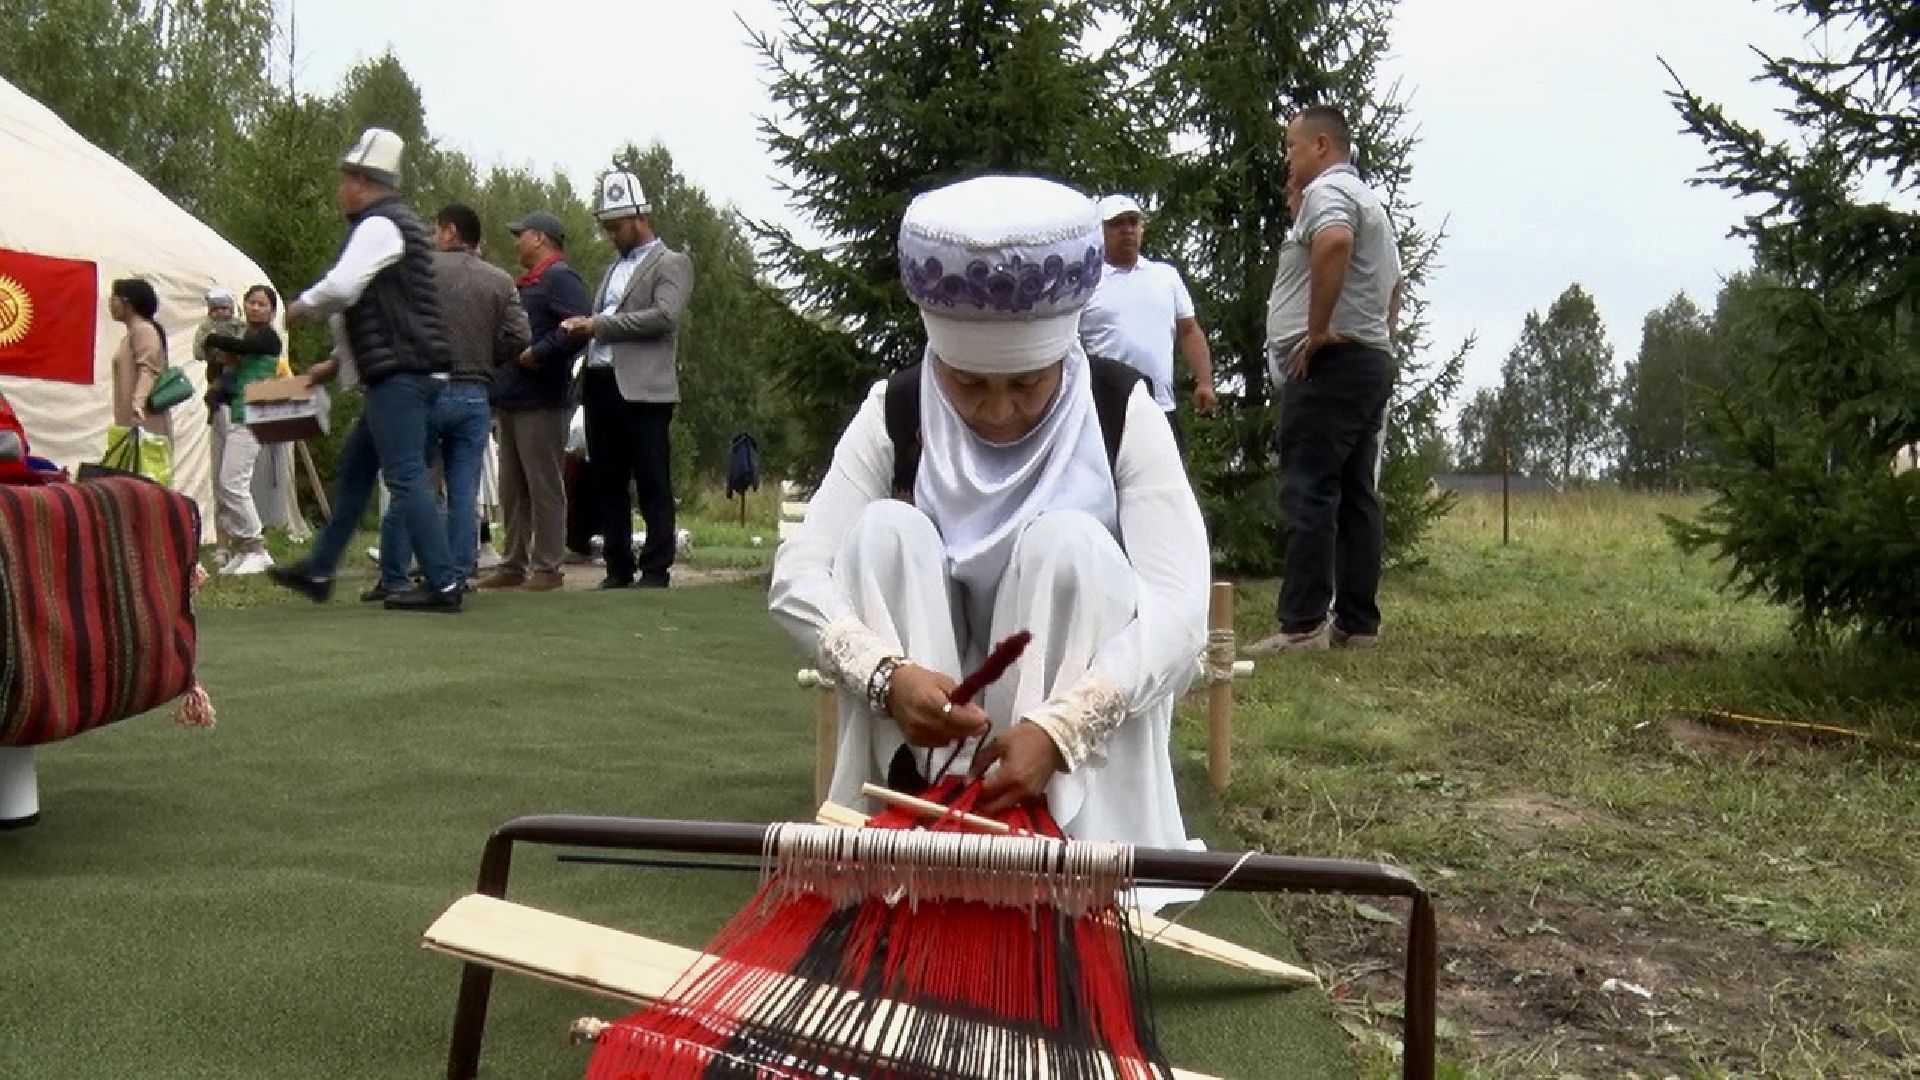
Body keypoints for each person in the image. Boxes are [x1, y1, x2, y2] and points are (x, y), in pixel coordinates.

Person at [768, 175, 1208, 862]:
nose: (997, 412)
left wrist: (1063, 727)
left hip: (1065, 742)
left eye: (1027, 385)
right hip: (926, 724)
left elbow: (1181, 608)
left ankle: (1057, 842)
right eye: (968, 384)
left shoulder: (1122, 411)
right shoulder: (899, 410)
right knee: (885, 533)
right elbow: (797, 576)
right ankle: (915, 833)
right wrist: (887, 676)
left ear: (1063, 355)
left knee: (1072, 547)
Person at [269, 127, 463, 613]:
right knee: (357, 470)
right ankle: (319, 569)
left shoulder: (379, 225)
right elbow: (385, 310)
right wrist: (335, 366)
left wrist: (296, 308)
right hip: (401, 370)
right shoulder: (393, 225)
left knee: (404, 475)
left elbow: (343, 289)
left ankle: (444, 583)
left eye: (344, 180)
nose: (340, 190)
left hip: (399, 374)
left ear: (361, 181)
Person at [1249, 105, 1404, 653]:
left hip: (1330, 364)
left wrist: (1316, 332)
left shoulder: (1330, 194)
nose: (1287, 158)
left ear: (1320, 145)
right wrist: (1374, 337)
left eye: (1292, 147)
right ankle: (1357, 623)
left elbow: (1333, 242)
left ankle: (1303, 624)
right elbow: (1393, 289)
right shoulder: (1370, 200)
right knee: (1357, 492)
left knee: (1309, 487)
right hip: (1368, 361)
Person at [369, 203, 531, 600]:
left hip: (422, 388)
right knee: (464, 491)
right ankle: (456, 575)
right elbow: (520, 336)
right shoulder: (499, 280)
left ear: (450, 231)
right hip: (473, 391)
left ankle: (394, 575)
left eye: (435, 228)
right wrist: (487, 356)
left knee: (410, 483)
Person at [561, 171, 693, 589]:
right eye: (606, 228)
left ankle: (656, 568)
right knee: (607, 479)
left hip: (644, 389)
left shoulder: (672, 262)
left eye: (616, 227)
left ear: (640, 218)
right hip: (601, 380)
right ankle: (618, 567)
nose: (611, 235)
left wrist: (599, 325)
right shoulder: (613, 269)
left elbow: (664, 316)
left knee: (652, 478)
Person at [479, 210, 587, 591]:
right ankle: (513, 562)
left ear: (539, 238)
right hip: (513, 396)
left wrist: (539, 354)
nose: (516, 242)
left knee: (543, 484)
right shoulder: (529, 282)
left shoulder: (560, 278)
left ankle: (548, 566)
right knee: (513, 487)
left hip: (542, 398)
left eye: (520, 234)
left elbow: (579, 327)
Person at [1078, 194, 1216, 456]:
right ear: (1099, 231)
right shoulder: (1087, 283)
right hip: (1106, 409)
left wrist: (1205, 381)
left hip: (1161, 406)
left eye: (1133, 222)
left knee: (1168, 488)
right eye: (1117, 224)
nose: (1127, 230)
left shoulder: (1165, 276)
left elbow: (1188, 330)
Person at [202, 285, 284, 575]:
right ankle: (245, 547)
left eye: (262, 304)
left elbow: (242, 348)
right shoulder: (247, 336)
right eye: (251, 303)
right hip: (241, 411)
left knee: (232, 482)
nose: (256, 308)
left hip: (255, 413)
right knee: (228, 484)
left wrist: (213, 335)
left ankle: (256, 545)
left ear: (272, 310)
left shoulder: (267, 337)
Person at [107, 277, 172, 475]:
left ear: (127, 302)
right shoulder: (132, 332)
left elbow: (148, 370)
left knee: (144, 476)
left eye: (114, 298)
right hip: (131, 419)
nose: (111, 303)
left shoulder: (143, 330)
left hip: (143, 419)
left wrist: (138, 404)